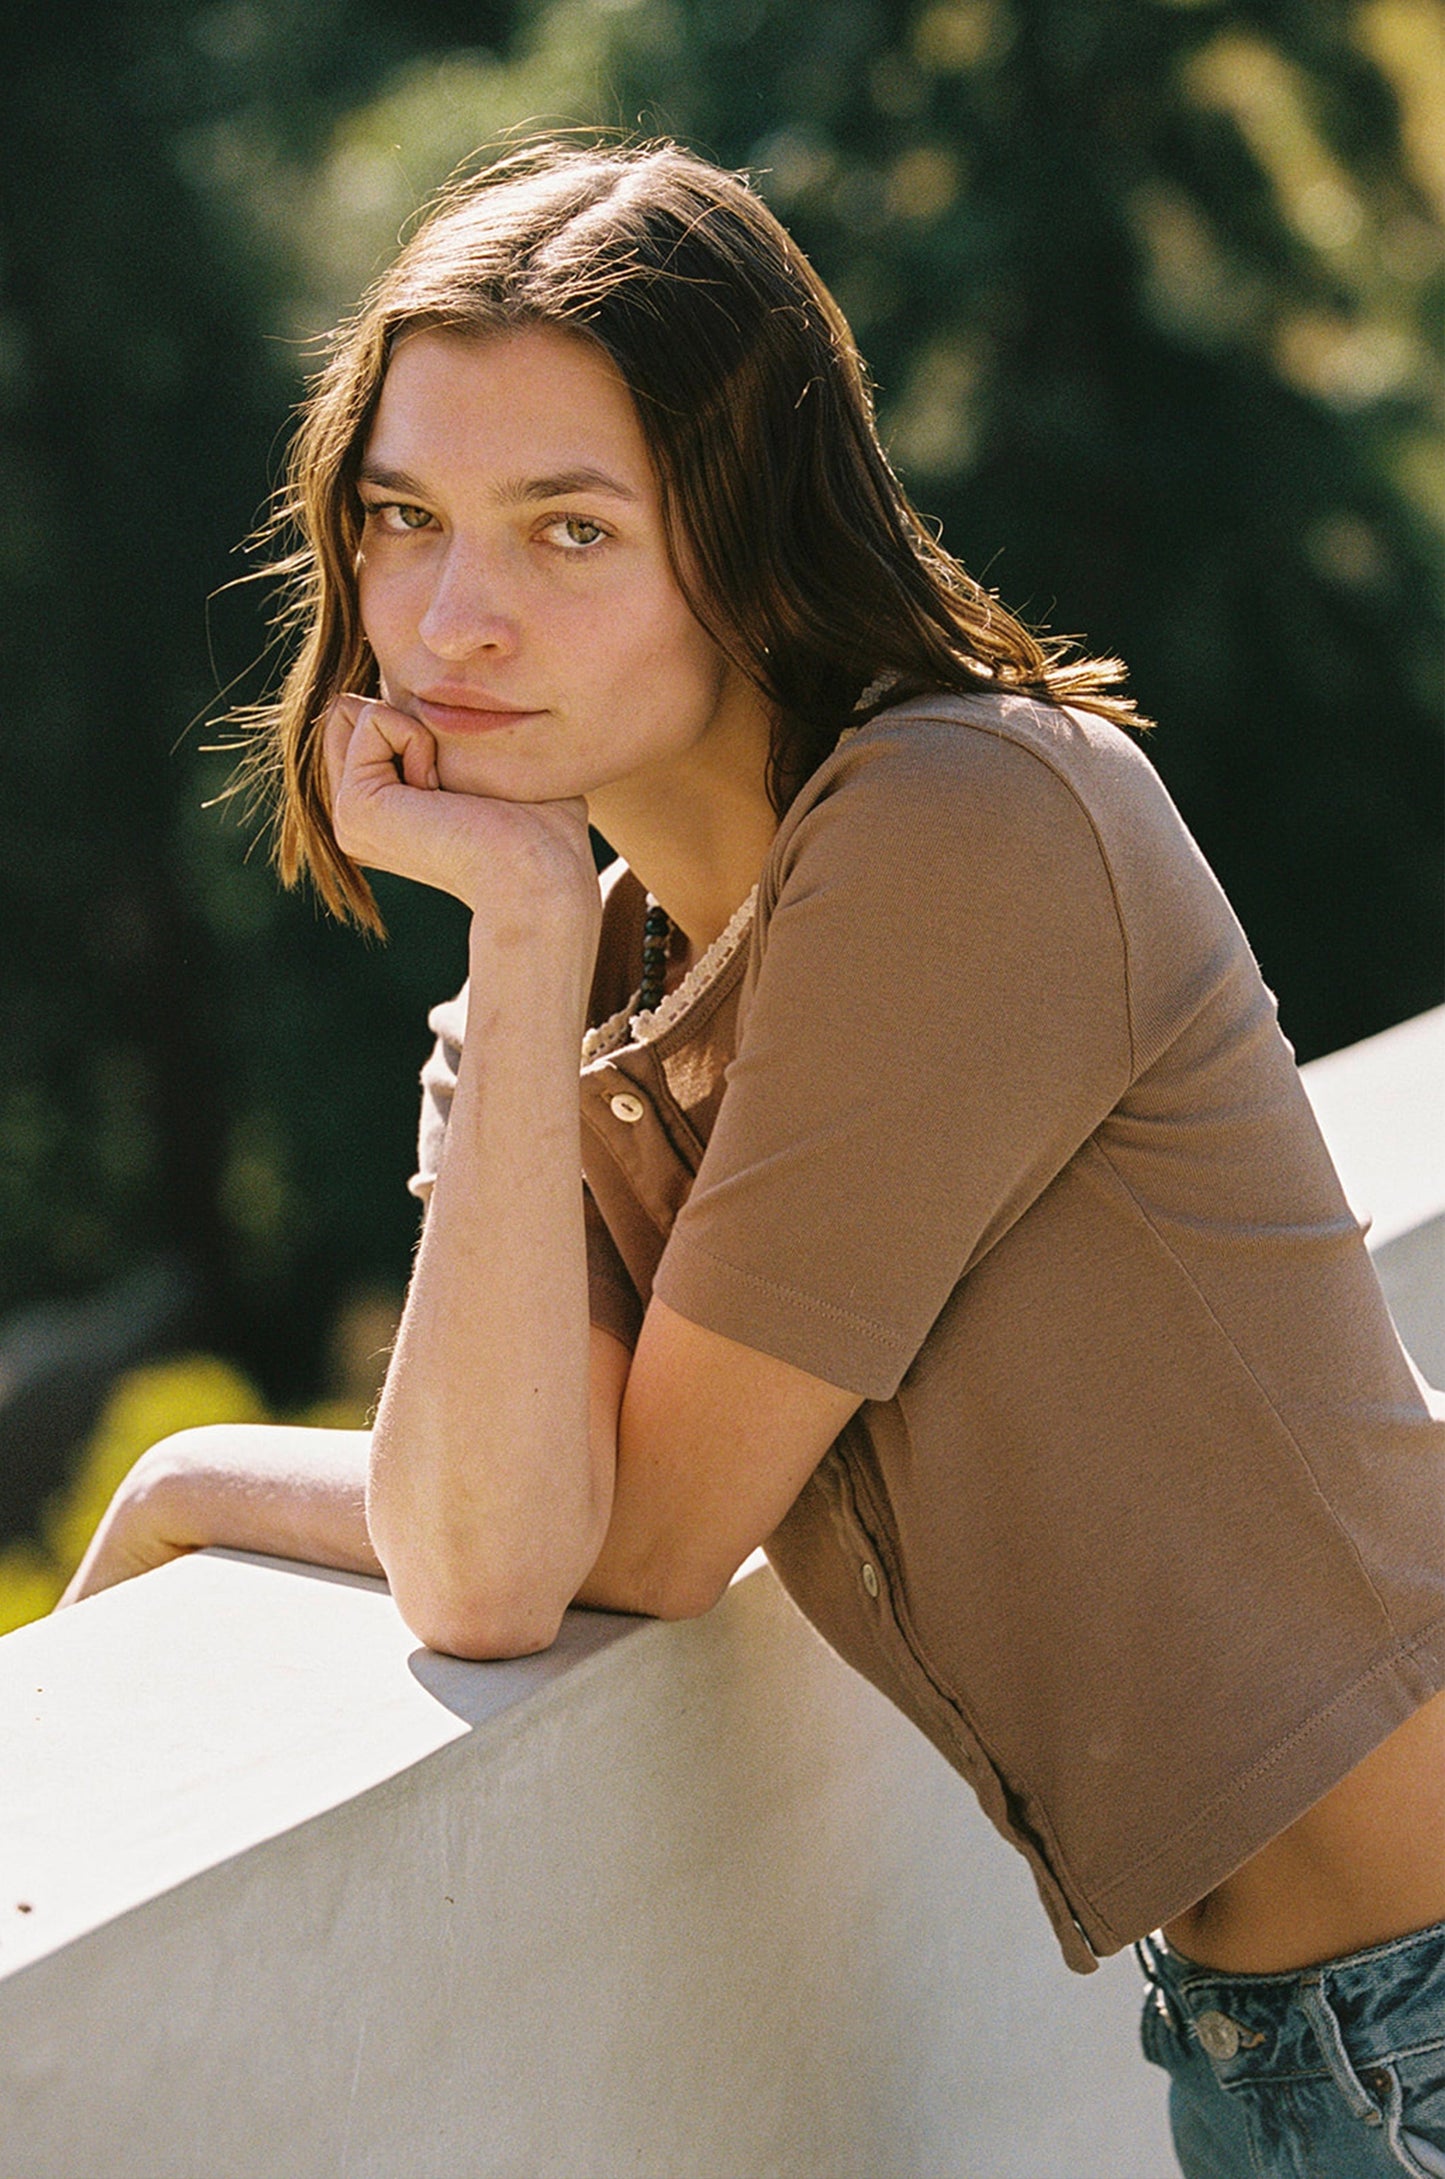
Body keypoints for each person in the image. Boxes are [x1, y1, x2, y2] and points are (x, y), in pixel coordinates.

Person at [59, 140, 1445, 2175]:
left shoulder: (959, 828)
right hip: (1276, 2032)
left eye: (570, 532)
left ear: (750, 538)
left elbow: (649, 1532)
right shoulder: (563, 993)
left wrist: (200, 1479)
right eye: (403, 518)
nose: (453, 614)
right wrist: (522, 927)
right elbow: (495, 1549)